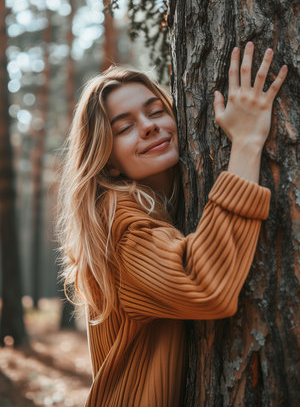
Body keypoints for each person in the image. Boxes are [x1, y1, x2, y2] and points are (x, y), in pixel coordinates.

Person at [57, 42, 287, 406]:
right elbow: (203, 283)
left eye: (155, 111)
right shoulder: (118, 222)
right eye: (125, 128)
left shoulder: (162, 207)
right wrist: (246, 142)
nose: (148, 127)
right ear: (108, 160)